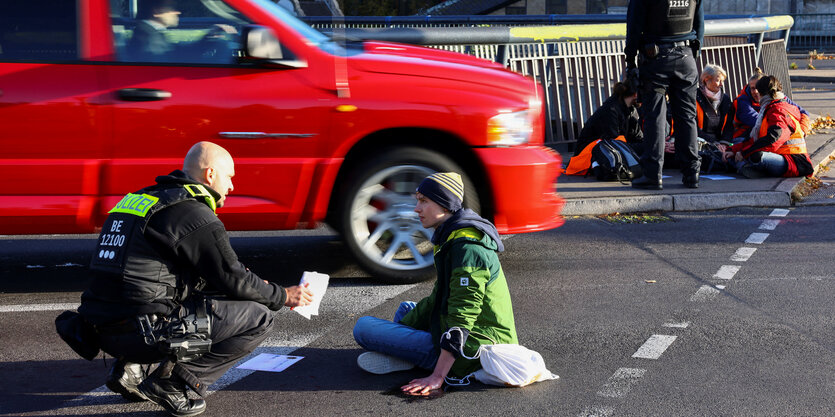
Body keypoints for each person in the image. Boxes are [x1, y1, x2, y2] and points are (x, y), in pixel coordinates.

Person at [76, 141, 314, 416]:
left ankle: (129, 367)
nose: (232, 187)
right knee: (259, 316)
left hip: (100, 330)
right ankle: (172, 382)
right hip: (143, 334)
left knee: (169, 289)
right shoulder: (194, 213)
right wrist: (283, 295)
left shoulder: (141, 199)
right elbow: (232, 278)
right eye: (230, 177)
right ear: (210, 174)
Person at [352, 172, 517, 396]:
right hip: (470, 334)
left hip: (476, 350)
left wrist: (438, 377)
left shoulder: (467, 248)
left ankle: (420, 359)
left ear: (446, 205)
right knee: (407, 308)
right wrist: (401, 330)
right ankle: (405, 354)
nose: (416, 209)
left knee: (363, 327)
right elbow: (438, 298)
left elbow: (462, 316)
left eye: (423, 201)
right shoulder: (451, 235)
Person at [625, 0, 704, 189]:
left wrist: (630, 62)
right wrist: (694, 51)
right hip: (686, 56)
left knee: (656, 118)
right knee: (687, 117)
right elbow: (699, 23)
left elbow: (634, 27)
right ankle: (692, 173)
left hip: (656, 57)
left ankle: (652, 174)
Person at [723, 75, 813, 178]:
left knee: (756, 156)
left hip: (794, 162)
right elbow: (754, 140)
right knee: (743, 154)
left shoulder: (778, 110)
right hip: (785, 156)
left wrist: (743, 153)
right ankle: (747, 167)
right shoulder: (774, 107)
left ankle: (746, 167)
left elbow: (773, 140)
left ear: (761, 93)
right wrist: (733, 150)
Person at [566, 82, 643, 175]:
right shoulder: (610, 109)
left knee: (649, 148)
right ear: (635, 94)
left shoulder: (630, 110)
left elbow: (637, 138)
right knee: (647, 148)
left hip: (608, 148)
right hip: (589, 154)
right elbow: (614, 141)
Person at [124, 0, 236, 63]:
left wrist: (208, 38)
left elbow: (179, 51)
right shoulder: (149, 40)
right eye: (171, 8)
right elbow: (177, 57)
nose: (177, 12)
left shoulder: (150, 33)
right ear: (157, 11)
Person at [731, 67, 811, 143]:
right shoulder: (742, 101)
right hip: (743, 137)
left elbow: (803, 113)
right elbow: (759, 122)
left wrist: (802, 131)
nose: (755, 91)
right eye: (752, 88)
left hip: (772, 135)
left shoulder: (778, 97)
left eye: (758, 88)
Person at [694, 64, 734, 147]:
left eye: (723, 81)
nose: (721, 84)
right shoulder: (695, 97)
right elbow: (693, 126)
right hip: (699, 141)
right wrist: (713, 143)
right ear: (706, 79)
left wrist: (724, 143)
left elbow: (729, 126)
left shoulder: (725, 99)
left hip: (720, 142)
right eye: (718, 80)